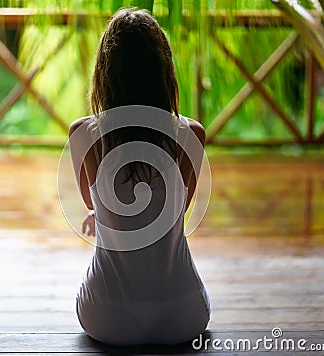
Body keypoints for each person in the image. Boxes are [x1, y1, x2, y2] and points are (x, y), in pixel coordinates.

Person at [68, 8, 210, 346]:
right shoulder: (191, 134)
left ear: (104, 73)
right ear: (163, 71)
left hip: (108, 316)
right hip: (184, 313)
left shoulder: (83, 134)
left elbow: (92, 204)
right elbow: (179, 211)